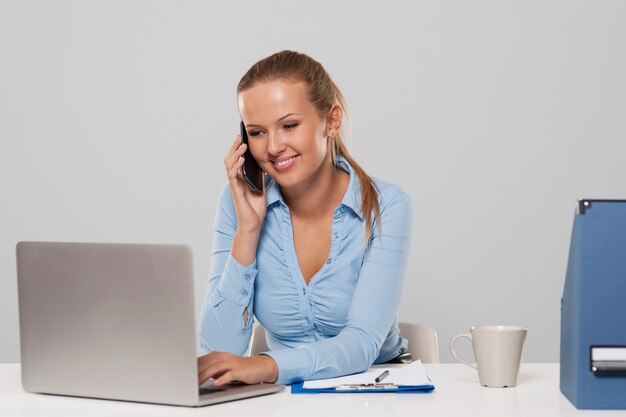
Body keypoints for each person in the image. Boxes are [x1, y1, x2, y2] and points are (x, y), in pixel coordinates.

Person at [197, 50, 412, 386]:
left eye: (289, 126)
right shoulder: (236, 203)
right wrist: (248, 230)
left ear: (332, 121)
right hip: (281, 398)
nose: (273, 147)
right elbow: (218, 353)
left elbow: (361, 344)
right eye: (257, 132)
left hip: (375, 391)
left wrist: (267, 366)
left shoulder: (387, 205)